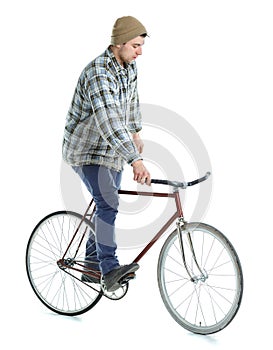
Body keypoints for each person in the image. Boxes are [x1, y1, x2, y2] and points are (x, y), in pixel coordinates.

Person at [62, 16, 151, 292]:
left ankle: (91, 266)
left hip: (111, 150)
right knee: (108, 203)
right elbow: (109, 119)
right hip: (86, 150)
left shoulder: (129, 67)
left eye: (141, 46)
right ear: (119, 43)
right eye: (135, 45)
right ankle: (109, 270)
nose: (140, 51)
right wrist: (134, 159)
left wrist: (135, 132)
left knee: (106, 205)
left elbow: (131, 101)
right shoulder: (98, 72)